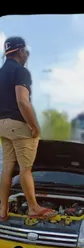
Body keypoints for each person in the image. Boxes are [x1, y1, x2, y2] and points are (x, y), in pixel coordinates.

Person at [0, 36, 56, 221]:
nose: (27, 56)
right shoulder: (21, 71)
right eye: (27, 53)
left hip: (2, 125)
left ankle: (2, 209)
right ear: (21, 51)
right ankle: (33, 207)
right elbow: (22, 101)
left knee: (7, 167)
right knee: (25, 169)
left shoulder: (1, 72)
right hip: (18, 124)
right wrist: (34, 126)